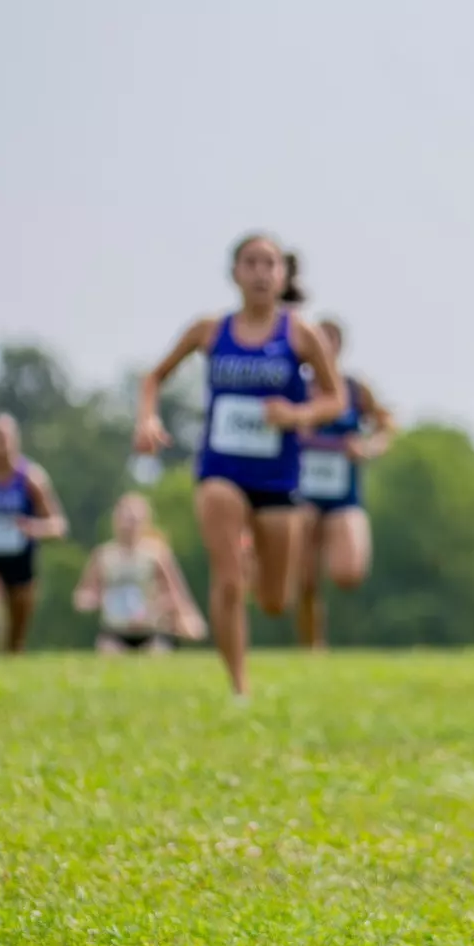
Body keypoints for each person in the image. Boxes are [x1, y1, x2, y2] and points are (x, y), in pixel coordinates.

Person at [135, 234, 346, 697]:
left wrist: (296, 415)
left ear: (283, 275)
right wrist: (148, 418)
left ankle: (250, 554)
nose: (260, 272)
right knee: (227, 582)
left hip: (277, 477)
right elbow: (153, 376)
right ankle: (239, 688)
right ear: (234, 273)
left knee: (274, 600)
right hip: (221, 470)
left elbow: (336, 399)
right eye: (250, 263)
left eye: (269, 264)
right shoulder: (210, 330)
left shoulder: (299, 333)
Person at [292, 320, 394, 650]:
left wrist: (367, 448)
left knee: (349, 573)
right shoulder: (295, 387)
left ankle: (352, 632)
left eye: (329, 342)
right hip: (301, 494)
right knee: (305, 580)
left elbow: (386, 426)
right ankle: (313, 647)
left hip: (343, 495)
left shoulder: (355, 389)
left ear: (339, 347)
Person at [72, 493, 205, 652]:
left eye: (134, 520)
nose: (129, 525)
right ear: (115, 520)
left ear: (145, 521)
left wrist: (184, 617)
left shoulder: (156, 554)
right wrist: (91, 600)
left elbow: (176, 592)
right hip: (115, 632)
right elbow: (83, 594)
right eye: (126, 519)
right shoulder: (103, 556)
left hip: (151, 631)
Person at [0, 414, 69, 653]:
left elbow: (59, 525)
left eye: (5, 436)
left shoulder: (31, 478)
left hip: (20, 560)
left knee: (16, 637)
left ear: (16, 439)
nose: (0, 442)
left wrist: (33, 528)